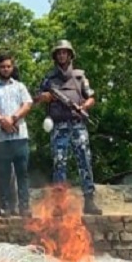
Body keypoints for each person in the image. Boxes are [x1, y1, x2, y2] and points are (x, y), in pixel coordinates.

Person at [36, 39, 100, 215]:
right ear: (55, 56)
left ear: (70, 54)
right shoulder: (49, 78)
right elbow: (36, 97)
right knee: (59, 164)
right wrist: (47, 97)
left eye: (65, 52)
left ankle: (89, 200)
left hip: (77, 123)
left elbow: (92, 97)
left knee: (84, 161)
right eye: (59, 53)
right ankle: (59, 204)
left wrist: (83, 107)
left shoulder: (80, 76)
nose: (62, 55)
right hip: (59, 126)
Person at [0, 54, 33, 217]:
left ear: (12, 68)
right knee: (3, 174)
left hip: (19, 137)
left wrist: (13, 118)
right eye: (2, 67)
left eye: (8, 66)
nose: (5, 69)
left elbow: (27, 104)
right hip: (0, 138)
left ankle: (24, 206)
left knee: (22, 173)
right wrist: (2, 121)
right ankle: (4, 206)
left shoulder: (20, 87)